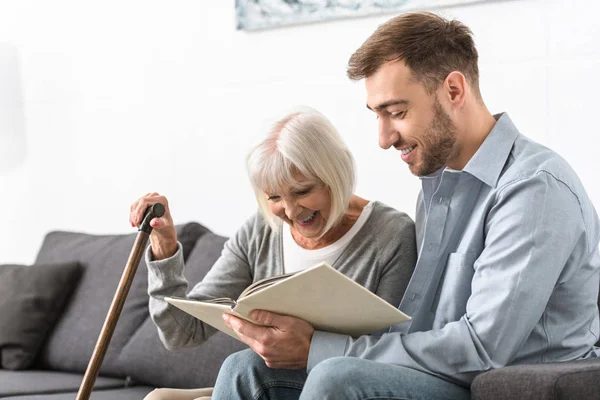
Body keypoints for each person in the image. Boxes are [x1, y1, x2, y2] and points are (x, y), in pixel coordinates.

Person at [212, 11, 600, 400]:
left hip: (499, 383)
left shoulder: (533, 189)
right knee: (245, 369)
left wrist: (320, 348)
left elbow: (483, 348)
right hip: (446, 376)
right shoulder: (438, 186)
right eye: (378, 116)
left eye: (397, 113)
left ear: (453, 90)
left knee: (336, 376)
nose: (383, 139)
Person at [130, 107, 418, 400]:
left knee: (242, 367)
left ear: (336, 174)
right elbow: (181, 332)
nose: (291, 211)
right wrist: (163, 248)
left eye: (303, 191)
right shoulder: (261, 230)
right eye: (275, 197)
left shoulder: (391, 234)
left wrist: (310, 345)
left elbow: (395, 353)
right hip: (268, 382)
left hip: (340, 386)